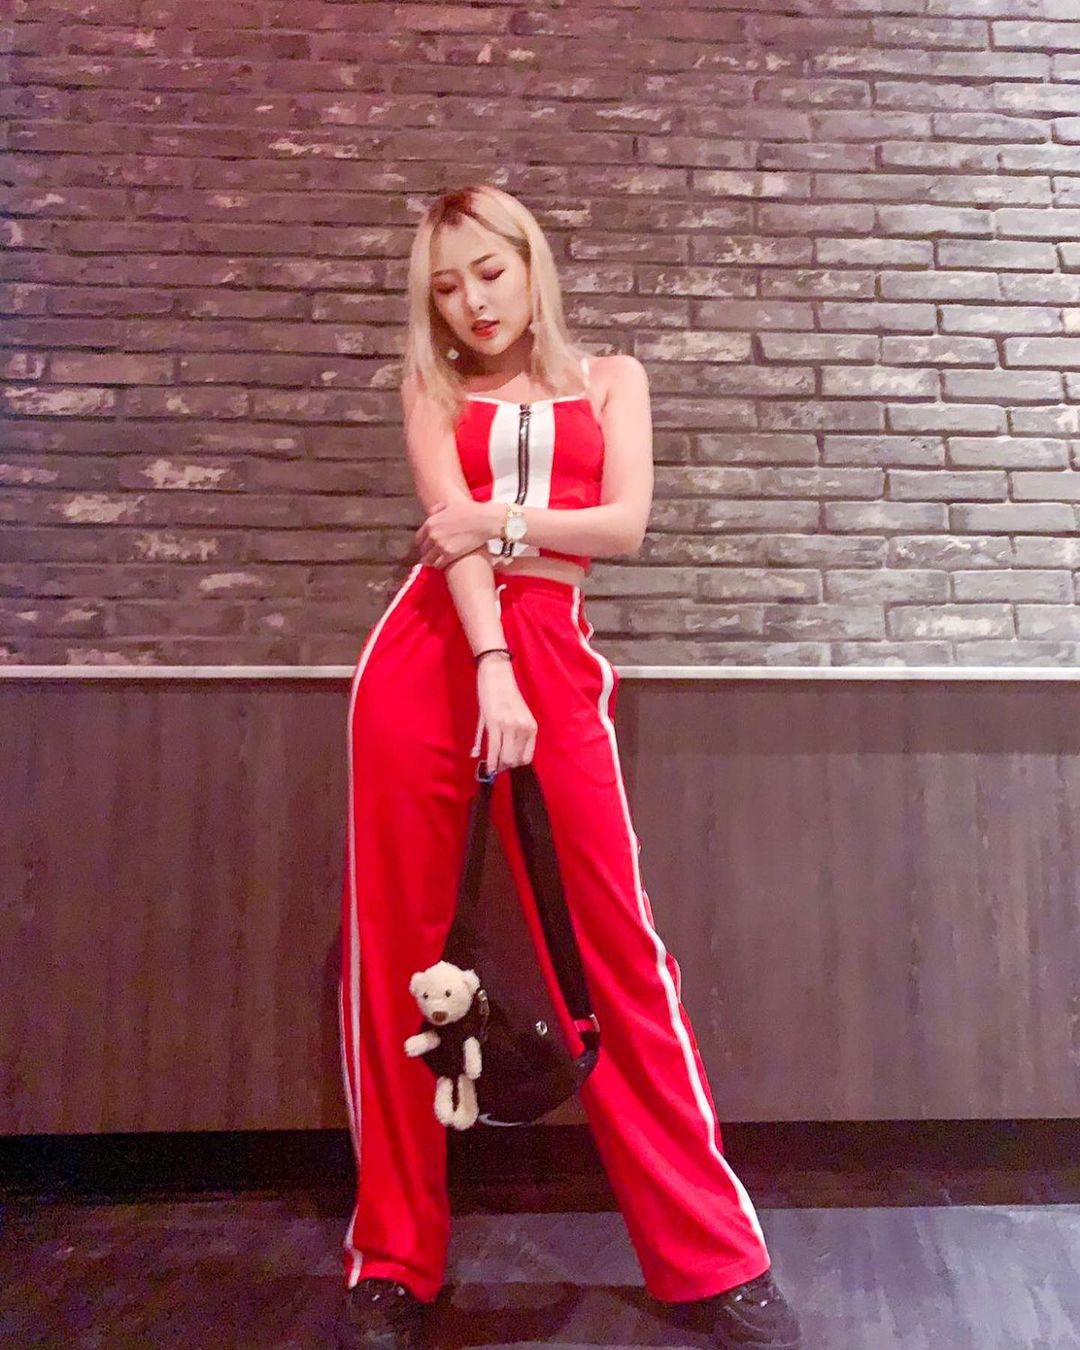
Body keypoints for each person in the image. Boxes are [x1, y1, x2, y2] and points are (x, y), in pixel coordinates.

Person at [337, 183, 802, 1350]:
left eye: (489, 271)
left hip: (554, 649)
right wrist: (490, 662)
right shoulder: (431, 389)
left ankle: (713, 1257)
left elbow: (625, 526)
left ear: (530, 260)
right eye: (447, 286)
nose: (473, 302)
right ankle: (392, 1259)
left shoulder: (613, 380)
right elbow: (445, 547)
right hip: (432, 657)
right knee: (397, 958)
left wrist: (496, 527)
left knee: (617, 954)